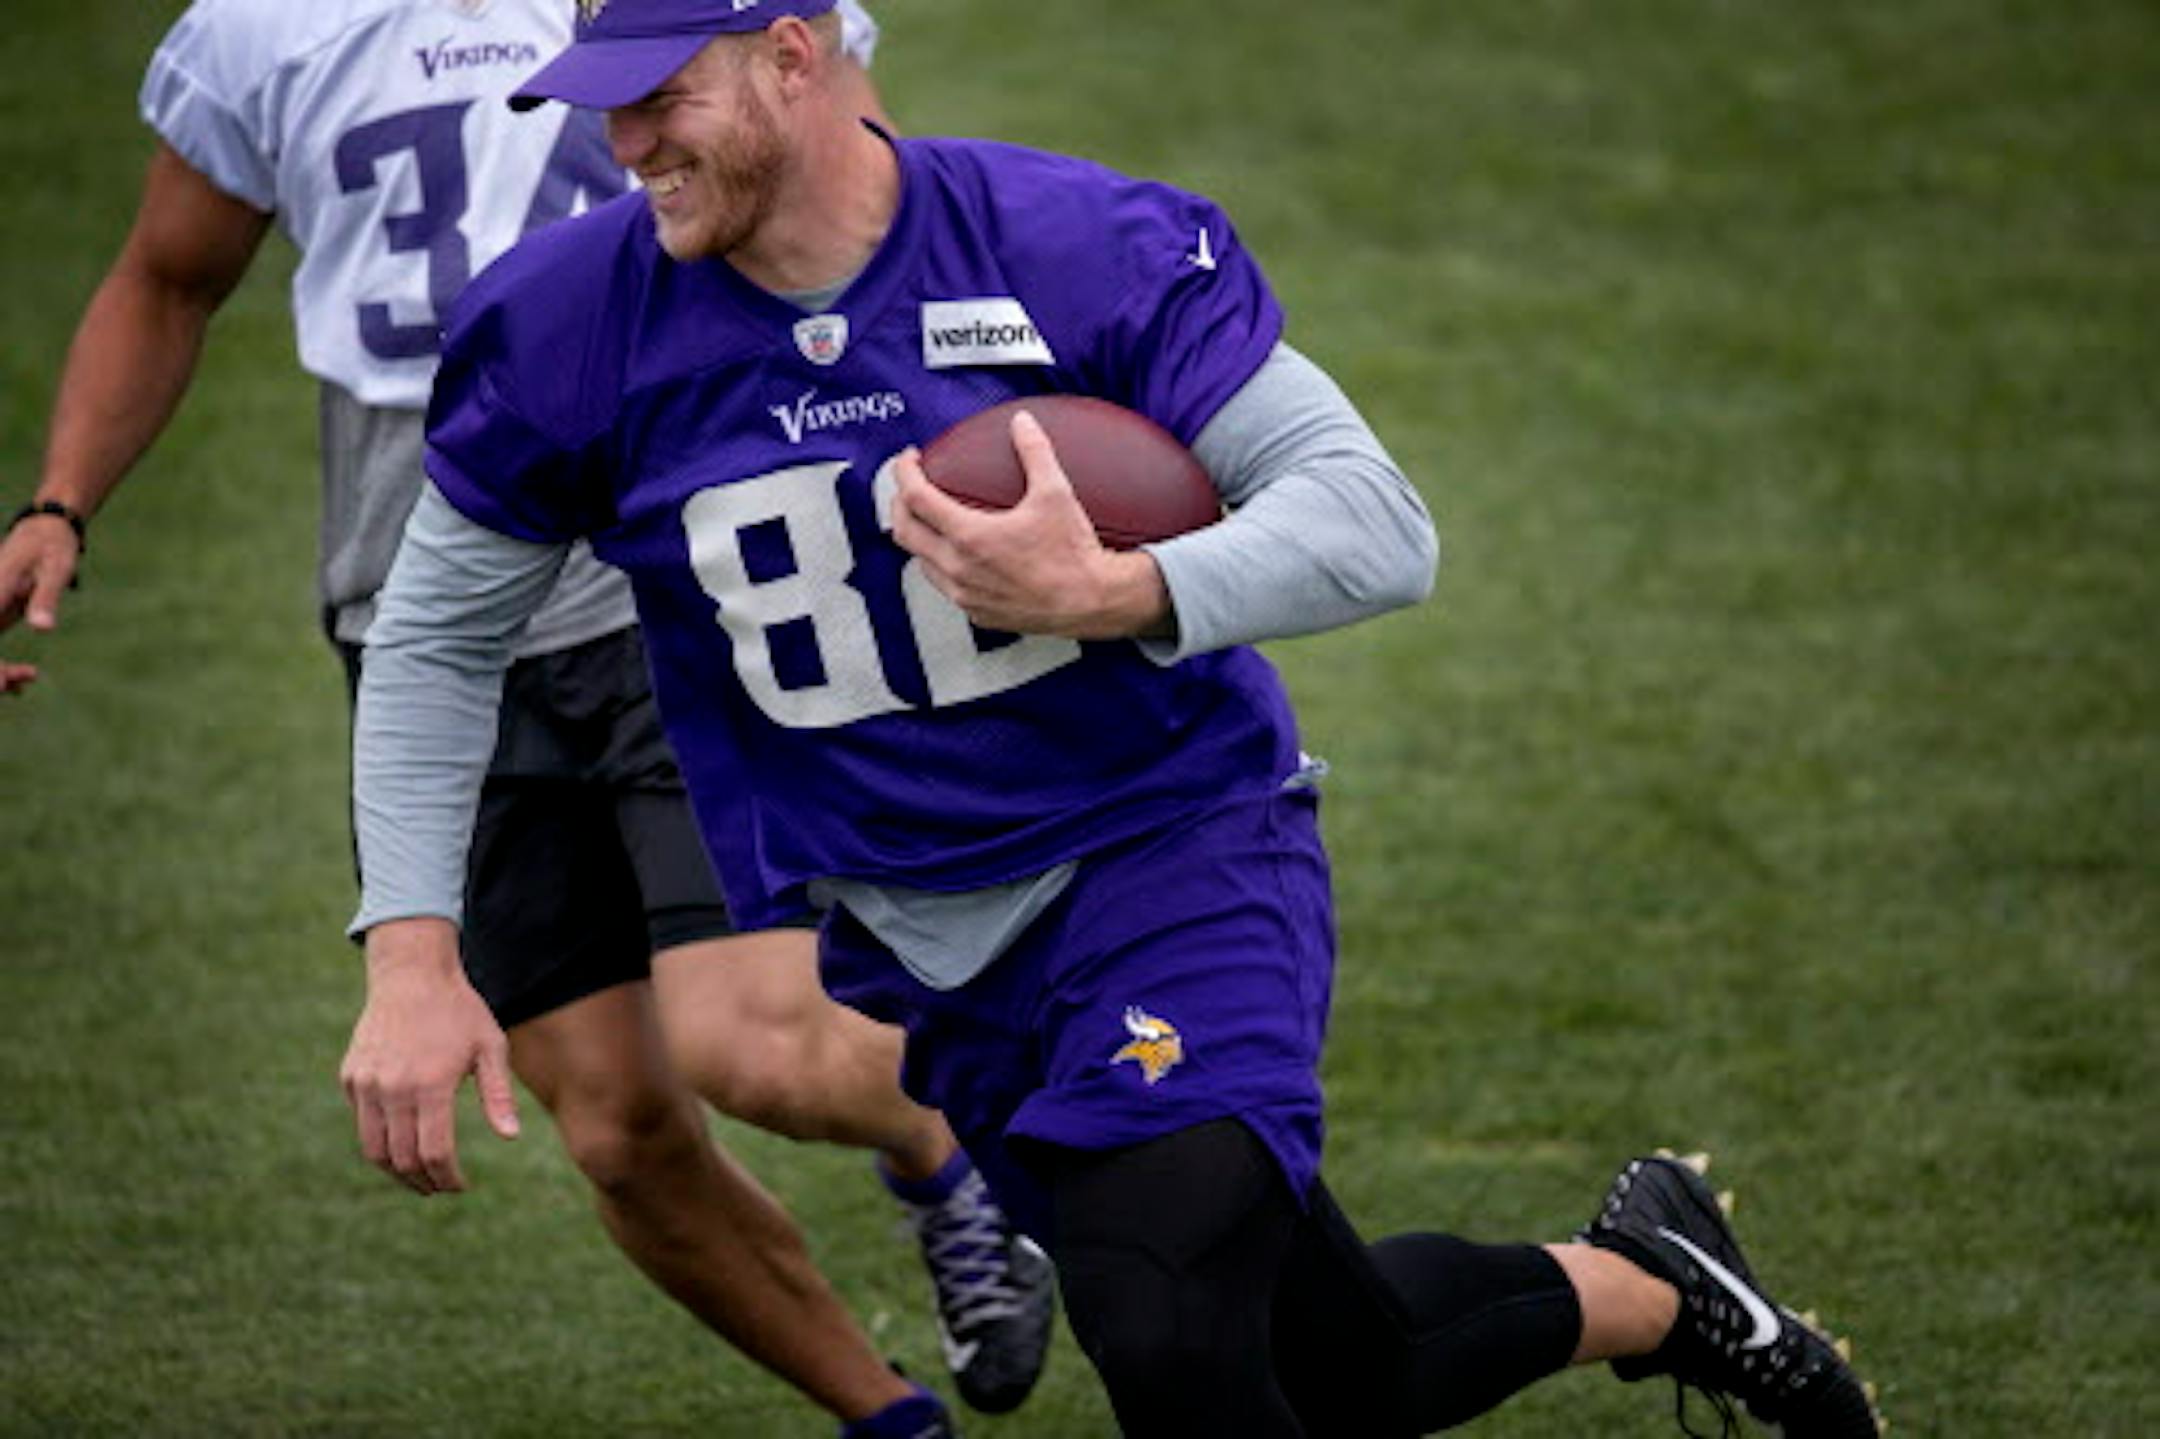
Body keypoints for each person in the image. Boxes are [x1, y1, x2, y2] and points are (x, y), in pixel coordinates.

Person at [355, 1, 1888, 1434]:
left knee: (1161, 1324)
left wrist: (1119, 588)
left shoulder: (1069, 244)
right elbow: (433, 638)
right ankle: (1656, 1283)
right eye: (604, 104)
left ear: (796, 56)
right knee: (1335, 1361)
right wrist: (417, 955)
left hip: (1170, 851)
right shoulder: (568, 325)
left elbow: (1377, 521)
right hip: (926, 941)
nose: (625, 146)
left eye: (664, 96)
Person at [0, 1, 1055, 1433]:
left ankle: (976, 1149)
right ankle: (890, 1418)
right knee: (617, 1129)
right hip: (421, 616)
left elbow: (857, 195)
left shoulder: (684, 10)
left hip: (667, 582)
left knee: (754, 1041)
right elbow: (168, 278)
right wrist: (60, 503)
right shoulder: (259, 29)